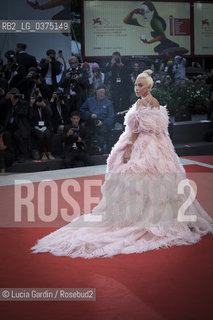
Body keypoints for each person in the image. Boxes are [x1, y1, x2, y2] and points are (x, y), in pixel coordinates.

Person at [31, 69, 213, 259]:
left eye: (140, 85)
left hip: (142, 145)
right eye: (136, 84)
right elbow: (159, 128)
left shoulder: (142, 102)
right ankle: (164, 217)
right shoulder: (155, 102)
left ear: (149, 86)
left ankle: (138, 218)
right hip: (159, 146)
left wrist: (128, 149)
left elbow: (135, 130)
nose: (136, 88)